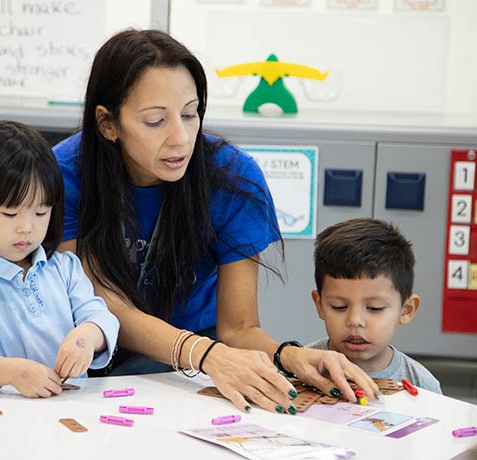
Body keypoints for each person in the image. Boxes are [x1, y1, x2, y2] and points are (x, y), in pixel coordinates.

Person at [53, 28, 380, 414]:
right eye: (156, 121)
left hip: (192, 366)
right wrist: (207, 355)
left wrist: (290, 357)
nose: (181, 138)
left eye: (190, 114)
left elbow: (239, 329)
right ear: (108, 125)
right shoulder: (65, 173)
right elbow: (104, 305)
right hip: (87, 353)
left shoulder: (233, 177)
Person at [0, 120, 119, 397]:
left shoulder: (64, 269)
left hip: (68, 415)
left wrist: (88, 335)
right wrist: (12, 373)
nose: (26, 227)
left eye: (40, 213)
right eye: (10, 214)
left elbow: (101, 317)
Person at [306, 217, 442, 394]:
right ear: (319, 305)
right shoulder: (302, 367)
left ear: (406, 310)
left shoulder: (423, 384)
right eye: (339, 306)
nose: (355, 321)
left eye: (374, 308)